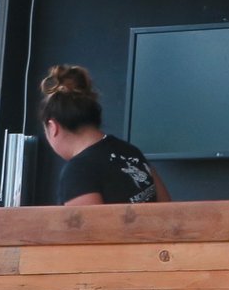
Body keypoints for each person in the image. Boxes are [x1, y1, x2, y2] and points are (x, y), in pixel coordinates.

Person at [40, 65, 170, 206]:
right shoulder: (129, 151)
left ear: (53, 128)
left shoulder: (78, 172)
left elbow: (87, 222)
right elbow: (168, 209)